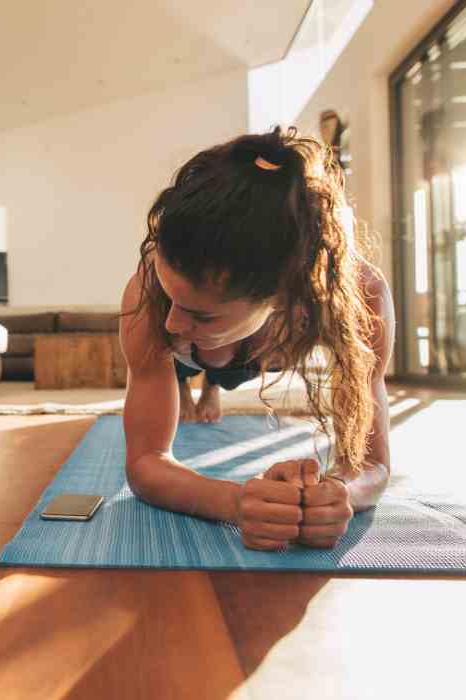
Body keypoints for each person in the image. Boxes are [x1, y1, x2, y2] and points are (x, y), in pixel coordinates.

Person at [118, 126, 395, 551]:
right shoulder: (149, 296)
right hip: (192, 361)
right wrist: (236, 502)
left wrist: (339, 493)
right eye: (172, 296)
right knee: (175, 348)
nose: (172, 323)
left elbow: (373, 463)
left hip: (266, 342)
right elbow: (144, 462)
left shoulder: (362, 297)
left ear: (283, 296)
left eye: (200, 314)